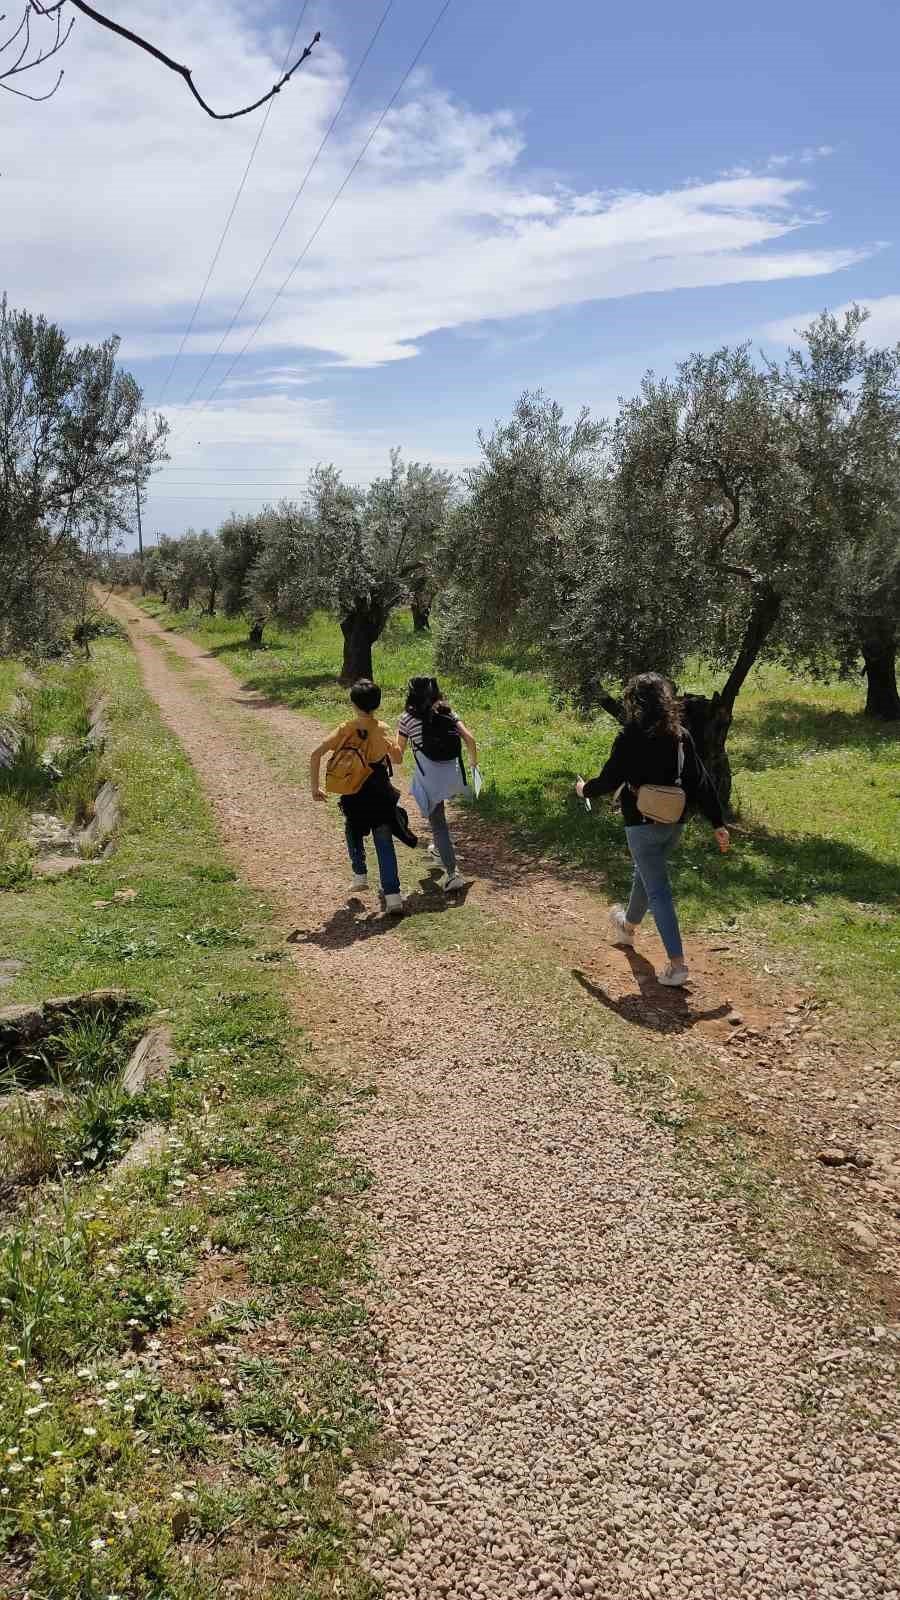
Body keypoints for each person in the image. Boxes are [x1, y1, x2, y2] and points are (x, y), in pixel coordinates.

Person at [575, 672, 730, 987]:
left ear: (635, 702)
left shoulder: (629, 736)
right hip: (675, 823)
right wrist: (718, 823)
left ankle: (677, 965)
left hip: (641, 823)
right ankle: (627, 929)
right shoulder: (681, 736)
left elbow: (608, 780)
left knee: (658, 889)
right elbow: (701, 782)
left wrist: (582, 790)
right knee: (645, 877)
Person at [310, 679, 412, 915]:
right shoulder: (382, 729)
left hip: (353, 790)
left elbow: (316, 754)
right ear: (377, 704)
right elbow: (397, 759)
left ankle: (359, 873)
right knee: (384, 840)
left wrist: (316, 788)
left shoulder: (345, 728)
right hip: (379, 790)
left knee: (352, 828)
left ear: (353, 703)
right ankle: (393, 896)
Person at [397, 676, 477, 893]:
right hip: (453, 773)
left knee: (438, 823)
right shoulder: (448, 713)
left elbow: (397, 756)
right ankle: (438, 851)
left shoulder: (406, 718)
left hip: (430, 777)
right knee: (439, 821)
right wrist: (473, 766)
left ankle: (453, 874)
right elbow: (470, 740)